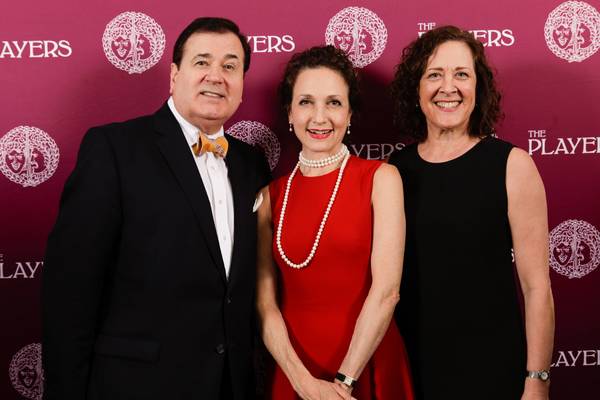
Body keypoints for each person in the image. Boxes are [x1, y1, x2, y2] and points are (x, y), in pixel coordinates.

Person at [42, 17, 270, 400]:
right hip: (136, 386)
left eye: (230, 66)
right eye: (202, 62)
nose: (216, 75)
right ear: (174, 75)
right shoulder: (114, 149)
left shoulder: (252, 164)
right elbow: (69, 291)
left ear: (242, 87)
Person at [388, 26, 555, 400]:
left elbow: (536, 288)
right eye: (434, 75)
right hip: (412, 369)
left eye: (461, 74)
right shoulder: (393, 170)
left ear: (478, 89)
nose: (448, 87)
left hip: (494, 368)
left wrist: (537, 380)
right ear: (416, 89)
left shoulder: (512, 165)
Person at [256, 45, 414, 400]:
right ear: (290, 112)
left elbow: (387, 292)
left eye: (334, 102)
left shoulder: (381, 178)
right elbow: (265, 305)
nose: (319, 117)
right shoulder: (270, 197)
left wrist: (343, 383)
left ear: (350, 113)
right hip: (294, 371)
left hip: (366, 364)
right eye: (306, 102)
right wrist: (303, 383)